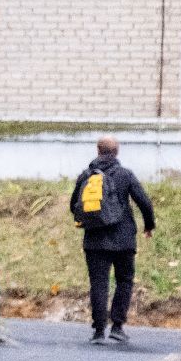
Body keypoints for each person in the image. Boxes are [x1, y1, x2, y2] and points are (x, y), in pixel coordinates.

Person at [70, 137, 155, 344]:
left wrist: (90, 221)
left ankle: (99, 331)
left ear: (97, 151)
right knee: (124, 281)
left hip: (95, 241)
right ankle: (117, 326)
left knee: (99, 284)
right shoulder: (125, 175)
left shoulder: (86, 176)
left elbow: (74, 205)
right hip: (124, 240)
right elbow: (143, 201)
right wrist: (149, 225)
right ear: (117, 152)